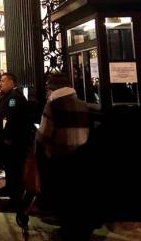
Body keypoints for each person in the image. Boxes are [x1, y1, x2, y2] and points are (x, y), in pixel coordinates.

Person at [36, 73, 92, 241]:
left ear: (52, 89)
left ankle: (67, 229)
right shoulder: (82, 104)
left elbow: (44, 134)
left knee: (63, 193)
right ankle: (79, 228)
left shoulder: (53, 105)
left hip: (60, 154)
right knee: (77, 194)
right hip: (81, 154)